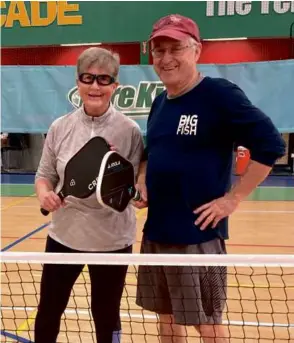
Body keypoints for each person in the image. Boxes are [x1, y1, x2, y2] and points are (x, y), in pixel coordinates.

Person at [134, 14, 286, 343]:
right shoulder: (160, 101)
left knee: (207, 325)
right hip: (156, 231)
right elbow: (151, 151)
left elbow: (270, 145)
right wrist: (143, 177)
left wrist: (234, 197)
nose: (166, 58)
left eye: (176, 48)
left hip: (197, 237)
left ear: (197, 51)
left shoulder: (219, 94)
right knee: (167, 317)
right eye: (158, 50)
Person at [34, 47, 144, 343]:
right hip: (64, 237)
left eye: (104, 79)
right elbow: (44, 175)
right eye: (88, 78)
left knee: (106, 313)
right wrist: (44, 194)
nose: (95, 86)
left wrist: (137, 195)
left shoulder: (130, 131)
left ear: (114, 86)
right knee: (49, 310)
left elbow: (131, 185)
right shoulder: (60, 128)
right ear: (78, 82)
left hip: (112, 241)